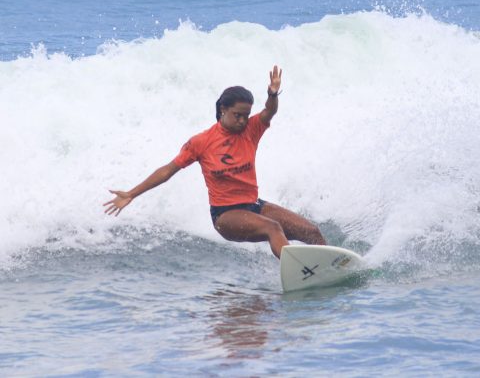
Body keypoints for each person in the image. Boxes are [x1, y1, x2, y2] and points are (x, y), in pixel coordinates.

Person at [104, 65, 326, 258]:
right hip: (225, 216)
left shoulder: (251, 129)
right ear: (223, 109)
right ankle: (298, 270)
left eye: (246, 115)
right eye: (237, 115)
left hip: (253, 205)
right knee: (273, 228)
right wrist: (132, 194)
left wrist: (273, 93)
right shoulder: (202, 142)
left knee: (311, 231)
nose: (242, 120)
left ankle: (333, 265)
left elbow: (269, 111)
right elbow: (167, 171)